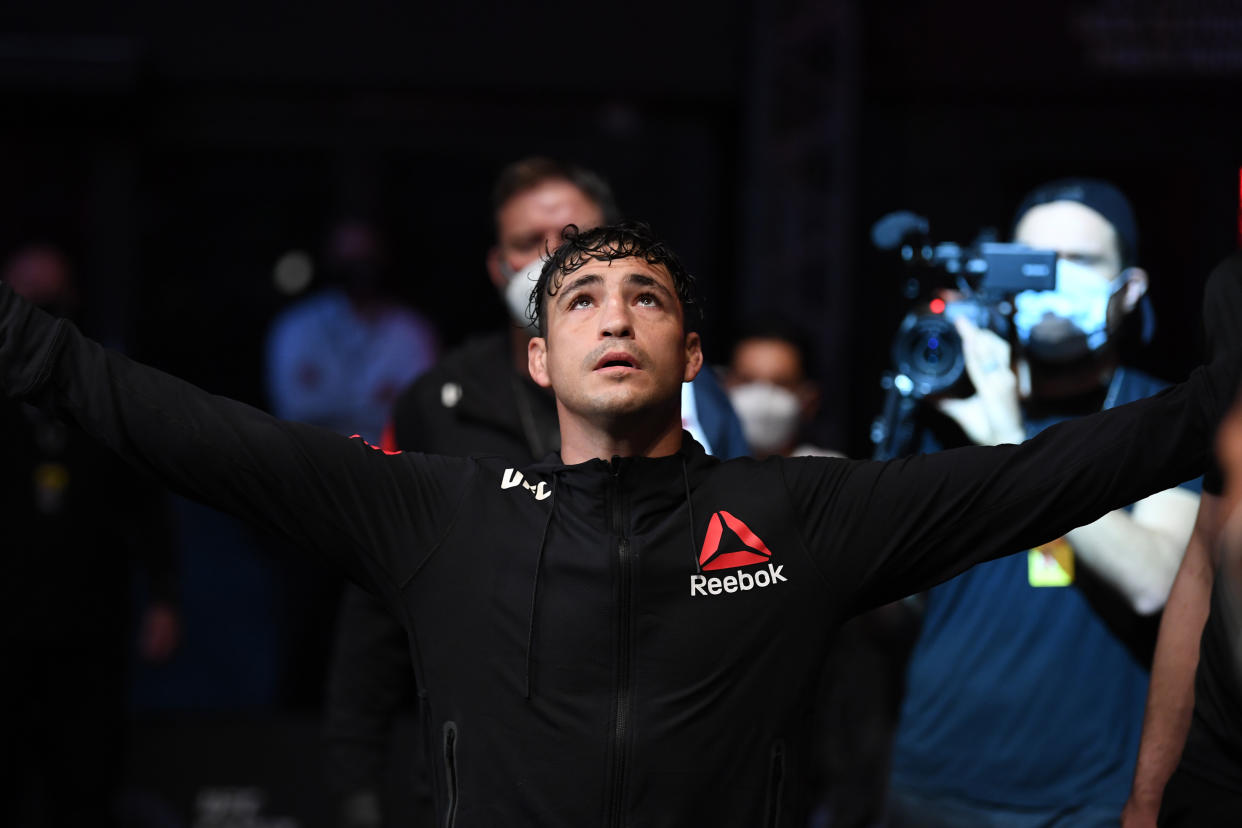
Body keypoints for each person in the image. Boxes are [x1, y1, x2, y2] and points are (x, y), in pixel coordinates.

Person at [0, 220, 1230, 827]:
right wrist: (24, 342)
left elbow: (1049, 480)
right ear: (538, 359)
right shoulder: (438, 509)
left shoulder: (794, 509)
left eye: (646, 297)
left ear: (687, 351)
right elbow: (192, 432)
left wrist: (1218, 396)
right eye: (581, 297)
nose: (615, 314)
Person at [322, 158, 749, 827]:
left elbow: (749, 576)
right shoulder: (438, 402)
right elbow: (375, 593)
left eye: (579, 233)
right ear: (497, 266)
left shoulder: (689, 396)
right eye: (528, 242)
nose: (554, 254)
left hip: (668, 777)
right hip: (480, 782)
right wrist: (354, 781)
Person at [887, 179, 1201, 826]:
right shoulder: (947, 407)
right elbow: (894, 597)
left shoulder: (1165, 420)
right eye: (1031, 261)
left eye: (1081, 262)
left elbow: (1155, 583)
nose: (1054, 279)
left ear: (1130, 289)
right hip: (930, 783)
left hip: (1081, 799)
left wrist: (1009, 439)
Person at [0, 244, 179, 828]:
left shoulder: (102, 387)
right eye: (27, 295)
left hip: (89, 625)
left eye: (52, 295)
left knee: (85, 782)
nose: (41, 307)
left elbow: (147, 505)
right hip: (8, 622)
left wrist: (164, 596)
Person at [1122, 251, 1242, 827]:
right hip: (1216, 762)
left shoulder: (1146, 403)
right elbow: (1202, 560)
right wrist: (1148, 795)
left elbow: (1151, 580)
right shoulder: (1233, 292)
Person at [265, 217, 438, 445]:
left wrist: (331, 397)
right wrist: (374, 401)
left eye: (366, 258)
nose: (358, 269)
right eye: (348, 259)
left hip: (388, 468)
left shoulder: (413, 332)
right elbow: (294, 408)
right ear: (331, 258)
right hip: (310, 462)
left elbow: (418, 415)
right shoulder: (295, 326)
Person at [723, 316, 838, 459]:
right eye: (747, 381)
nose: (761, 398)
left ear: (810, 400)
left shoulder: (831, 477)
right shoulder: (697, 472)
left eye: (781, 384)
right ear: (723, 386)